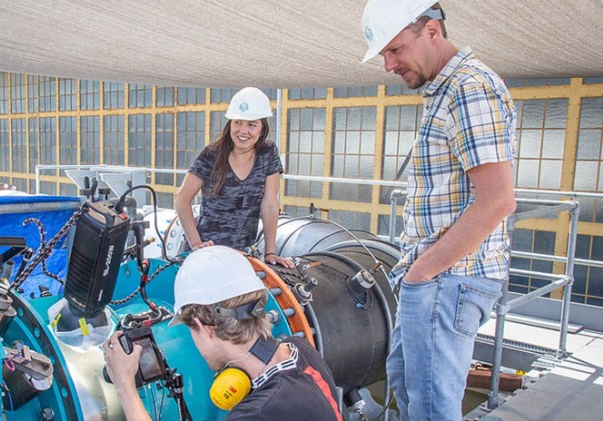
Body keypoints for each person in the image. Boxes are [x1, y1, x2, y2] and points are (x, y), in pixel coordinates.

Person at [360, 1, 517, 420]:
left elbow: (498, 200)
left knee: (431, 407)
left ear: (432, 31)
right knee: (406, 386)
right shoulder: (444, 90)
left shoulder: (468, 88)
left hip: (449, 280)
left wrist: (422, 272)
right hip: (436, 279)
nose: (389, 65)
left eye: (395, 50)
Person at [103, 245, 342, 420]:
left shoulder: (257, 413)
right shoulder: (299, 350)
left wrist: (124, 384)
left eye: (191, 332)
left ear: (204, 328)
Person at [174, 87, 293, 268]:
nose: (243, 131)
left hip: (242, 253)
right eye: (238, 122)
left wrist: (270, 253)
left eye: (251, 125)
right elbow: (182, 199)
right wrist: (196, 244)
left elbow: (269, 204)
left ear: (262, 129)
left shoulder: (268, 153)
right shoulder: (211, 155)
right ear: (230, 124)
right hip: (206, 252)